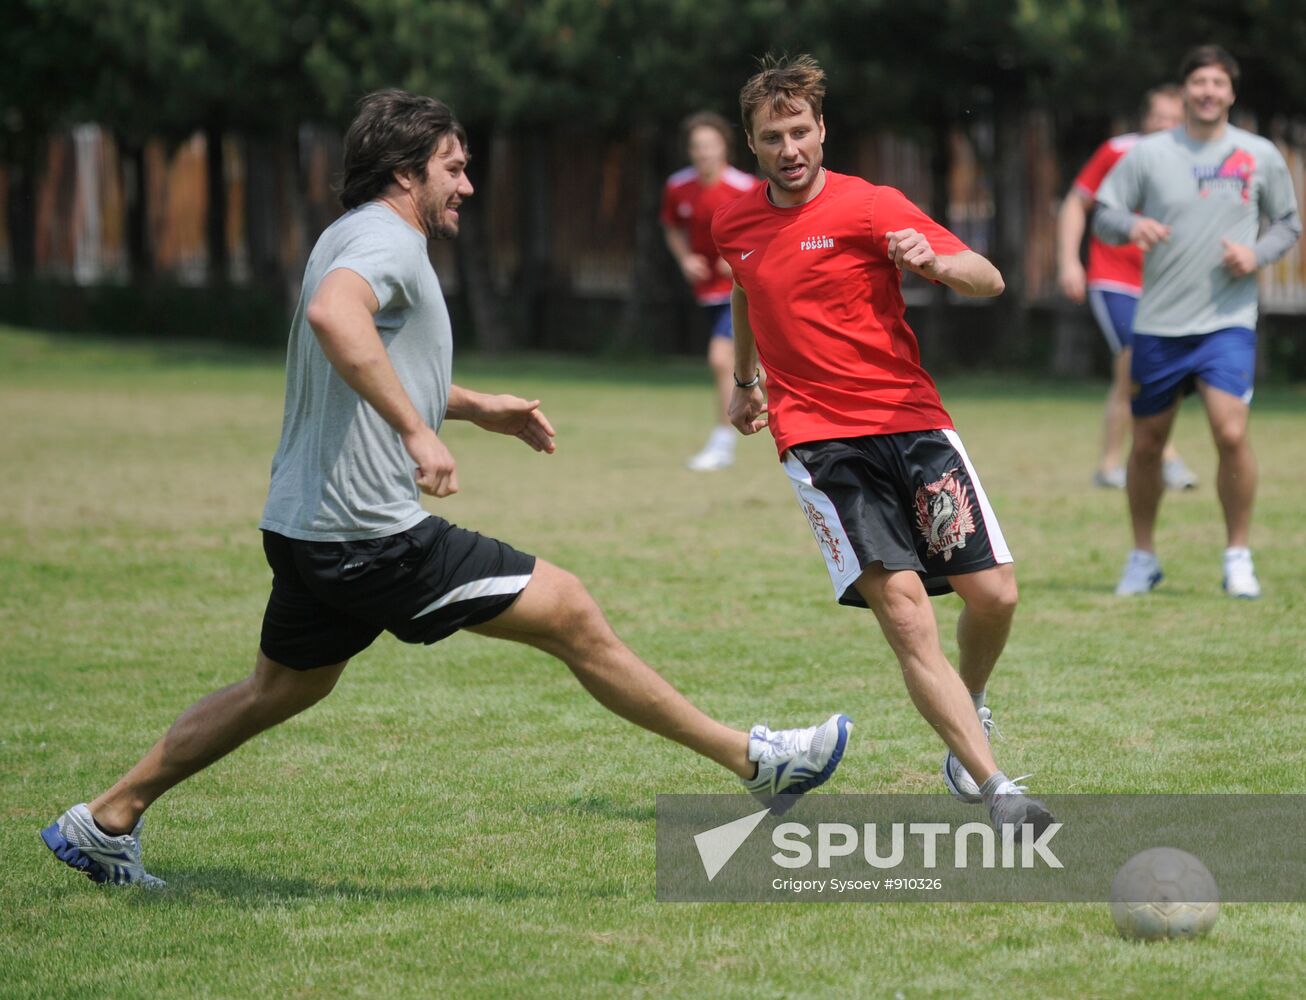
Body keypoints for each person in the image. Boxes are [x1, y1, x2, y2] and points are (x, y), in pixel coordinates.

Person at [41, 90, 852, 888]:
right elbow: (334, 318)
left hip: (305, 526)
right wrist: (416, 429)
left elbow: (371, 350)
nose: (466, 186)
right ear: (405, 173)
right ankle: (757, 763)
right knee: (568, 609)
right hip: (367, 536)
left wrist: (468, 407)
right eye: (453, 169)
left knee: (281, 687)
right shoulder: (389, 245)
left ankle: (108, 815)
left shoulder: (349, 234)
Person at [712, 55, 1052, 838]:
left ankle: (970, 712)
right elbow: (743, 284)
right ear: (753, 145)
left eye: (801, 131)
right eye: (774, 137)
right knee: (905, 615)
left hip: (913, 424)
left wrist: (937, 264)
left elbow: (989, 276)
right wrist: (745, 378)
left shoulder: (871, 206)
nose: (790, 147)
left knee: (995, 596)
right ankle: (995, 787)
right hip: (821, 446)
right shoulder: (732, 222)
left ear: (822, 130)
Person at [1094, 46, 1301, 598]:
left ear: (1231, 93)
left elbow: (1287, 223)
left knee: (1231, 431)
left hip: (1227, 321)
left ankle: (1238, 556)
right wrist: (1132, 225)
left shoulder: (1257, 154)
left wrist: (1256, 256)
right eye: (1198, 82)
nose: (1208, 91)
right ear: (1185, 91)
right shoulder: (1149, 154)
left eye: (1218, 82)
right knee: (1147, 444)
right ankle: (1142, 556)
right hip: (1159, 322)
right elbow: (1105, 214)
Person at [1057, 85, 1199, 491]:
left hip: (1165, 284)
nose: (1166, 125)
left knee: (1149, 373)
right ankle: (1147, 460)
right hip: (1114, 278)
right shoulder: (1117, 152)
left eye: (1175, 119)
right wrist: (1069, 261)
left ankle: (1129, 461)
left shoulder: (1194, 160)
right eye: (1159, 116)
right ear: (1144, 118)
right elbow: (1074, 203)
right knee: (1136, 360)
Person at [660, 111, 761, 471]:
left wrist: (736, 258)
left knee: (721, 360)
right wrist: (686, 259)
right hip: (707, 291)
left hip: (742, 288)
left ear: (724, 148)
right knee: (747, 365)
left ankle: (723, 444)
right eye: (697, 146)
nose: (703, 153)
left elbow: (762, 229)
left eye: (710, 145)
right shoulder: (677, 186)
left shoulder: (745, 186)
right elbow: (672, 227)